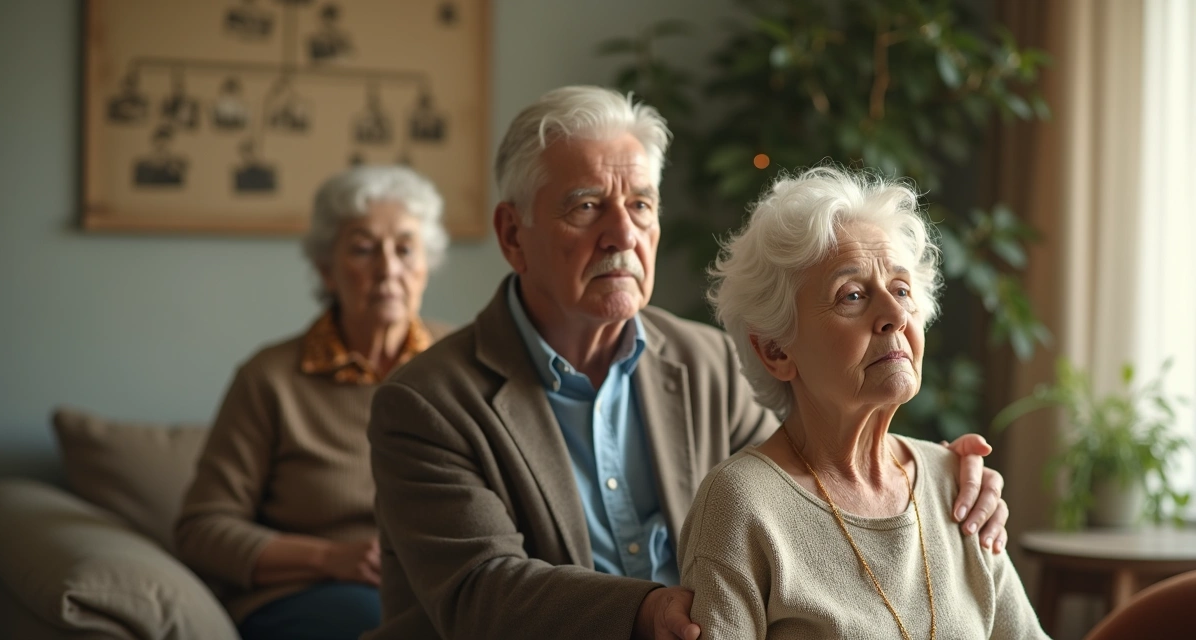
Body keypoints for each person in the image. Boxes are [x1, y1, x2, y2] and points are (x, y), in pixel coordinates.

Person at [365, 86, 1009, 640]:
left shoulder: (707, 360)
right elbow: (481, 591)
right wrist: (642, 613)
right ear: (513, 235)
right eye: (587, 206)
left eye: (641, 204)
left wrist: (930, 481)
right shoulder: (425, 402)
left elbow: (813, 481)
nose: (622, 233)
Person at [678, 167, 1044, 639]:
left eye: (902, 290)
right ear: (776, 350)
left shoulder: (957, 484)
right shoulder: (741, 505)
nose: (894, 315)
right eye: (851, 295)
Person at [174, 165, 449, 640]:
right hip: (313, 594)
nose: (388, 268)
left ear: (427, 264)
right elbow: (201, 529)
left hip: (446, 585)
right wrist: (330, 558)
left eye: (405, 248)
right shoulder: (271, 378)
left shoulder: (463, 363)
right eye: (363, 248)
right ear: (327, 269)